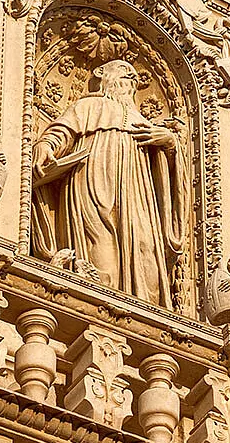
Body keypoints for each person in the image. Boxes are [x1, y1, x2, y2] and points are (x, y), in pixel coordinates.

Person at [31, 59, 188, 309]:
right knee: (101, 249)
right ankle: (99, 311)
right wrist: (45, 146)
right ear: (103, 75)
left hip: (137, 191)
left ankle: (144, 311)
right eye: (125, 73)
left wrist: (169, 142)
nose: (131, 79)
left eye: (134, 78)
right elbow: (61, 132)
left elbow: (170, 180)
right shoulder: (88, 105)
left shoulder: (144, 121)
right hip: (92, 179)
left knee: (146, 251)